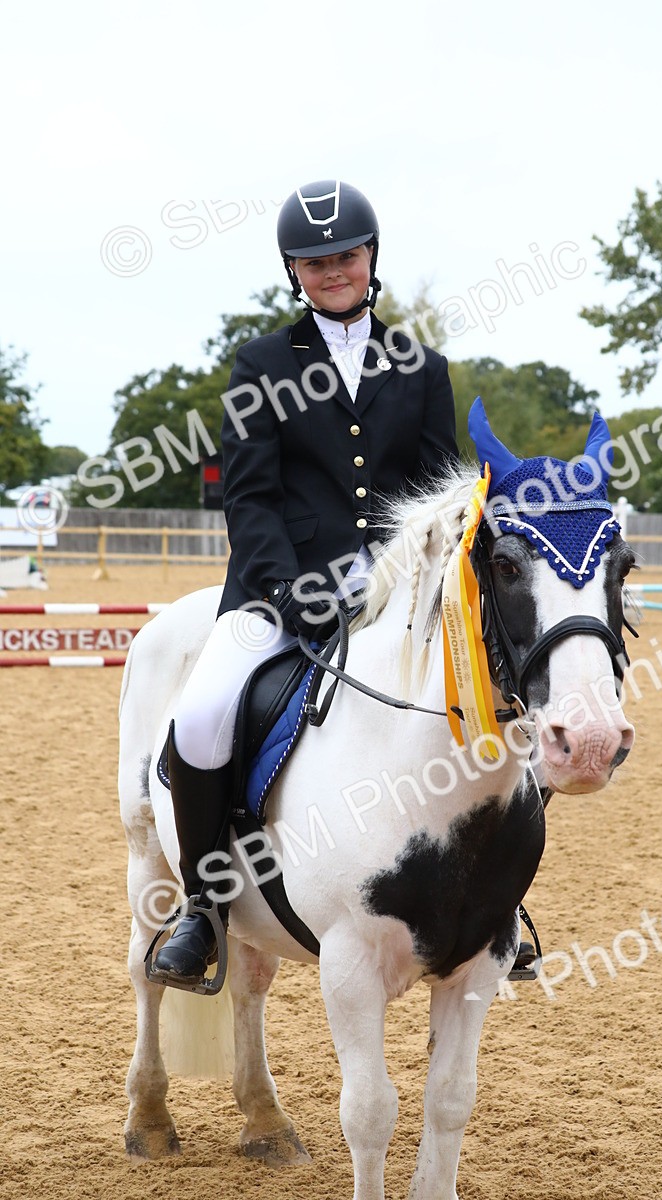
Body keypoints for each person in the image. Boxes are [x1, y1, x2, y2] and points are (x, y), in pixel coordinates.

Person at [151, 179, 459, 986]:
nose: (334, 270)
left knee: (485, 690)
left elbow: (435, 495)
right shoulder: (260, 364)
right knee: (208, 708)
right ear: (294, 270)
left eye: (347, 255)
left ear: (371, 258)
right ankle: (202, 908)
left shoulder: (422, 368)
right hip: (277, 590)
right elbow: (249, 496)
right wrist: (288, 590)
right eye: (315, 261)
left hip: (394, 595)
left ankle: (494, 902)